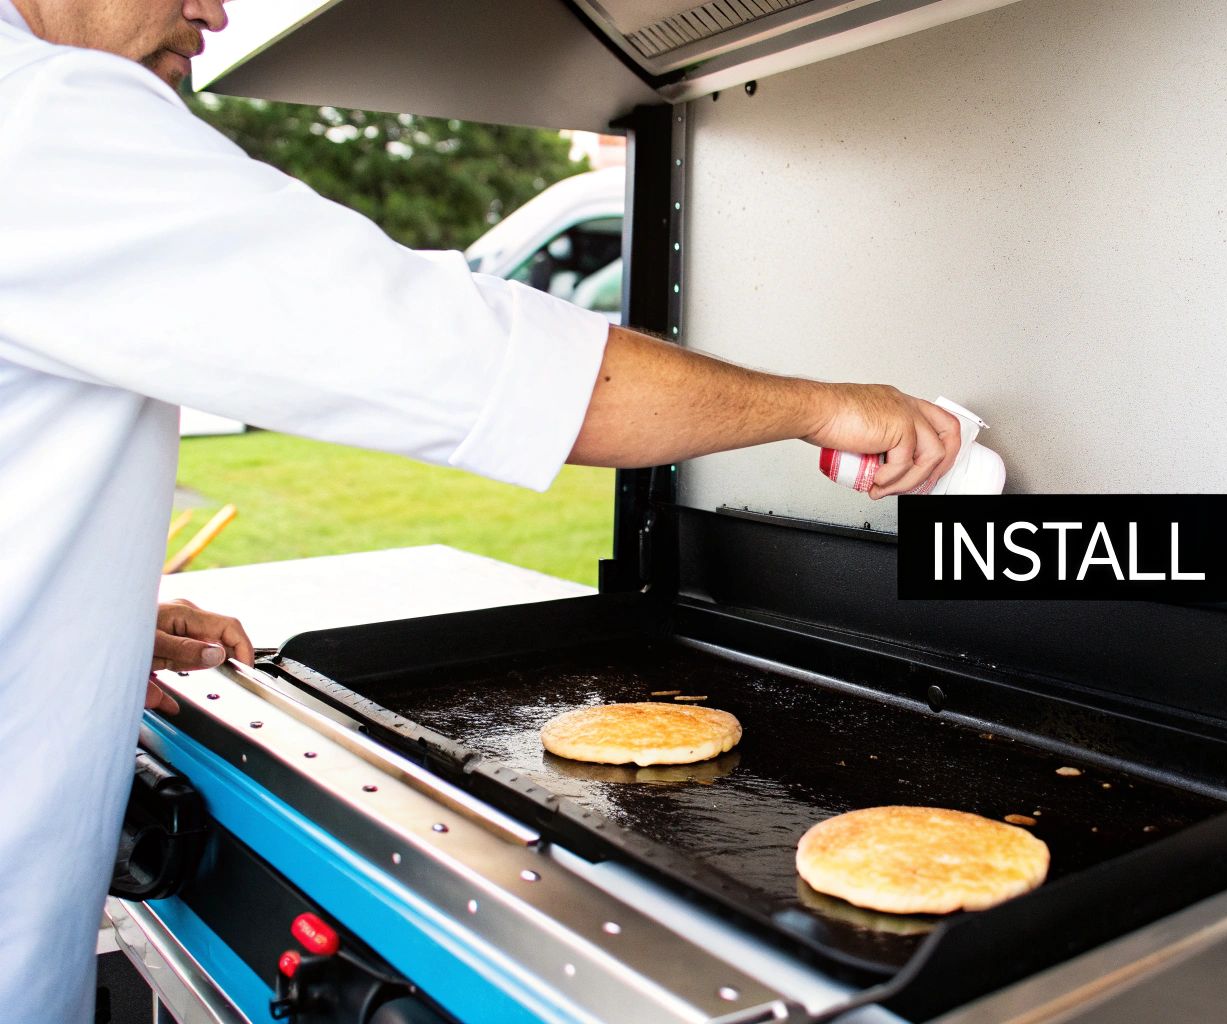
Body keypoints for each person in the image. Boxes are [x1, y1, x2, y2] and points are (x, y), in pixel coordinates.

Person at [0, 1, 962, 1018]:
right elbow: (474, 359)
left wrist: (90, 617)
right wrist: (825, 406)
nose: (214, 7)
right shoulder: (41, 118)